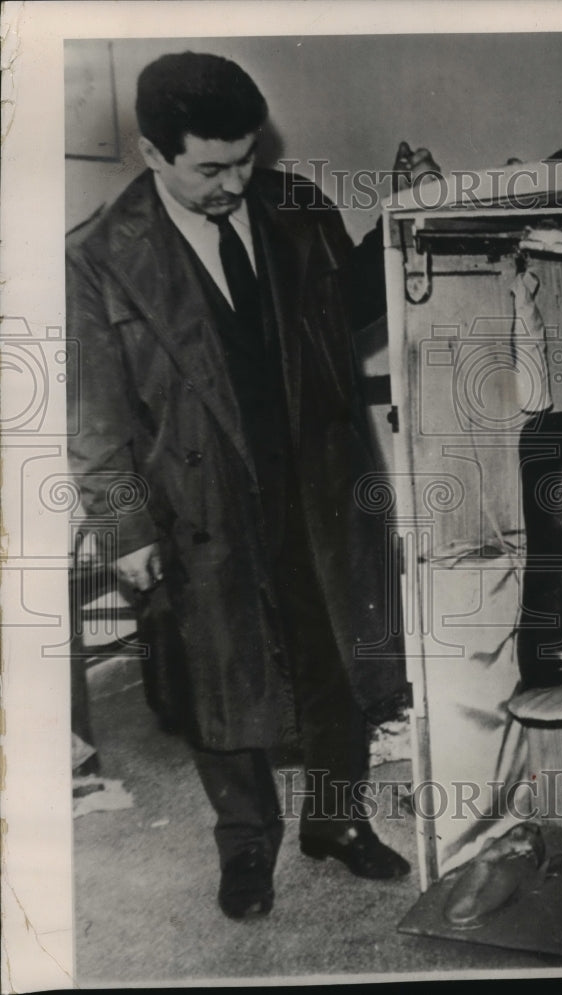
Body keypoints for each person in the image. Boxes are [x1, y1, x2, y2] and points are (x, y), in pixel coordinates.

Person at [66, 51, 423, 919]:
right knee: (217, 683)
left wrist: (409, 223)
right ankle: (247, 845)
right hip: (198, 505)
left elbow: (343, 317)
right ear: (154, 154)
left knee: (335, 664)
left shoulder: (298, 204)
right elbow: (92, 420)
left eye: (248, 158)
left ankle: (336, 823)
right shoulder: (98, 258)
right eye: (211, 168)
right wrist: (126, 530)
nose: (237, 182)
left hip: (318, 484)